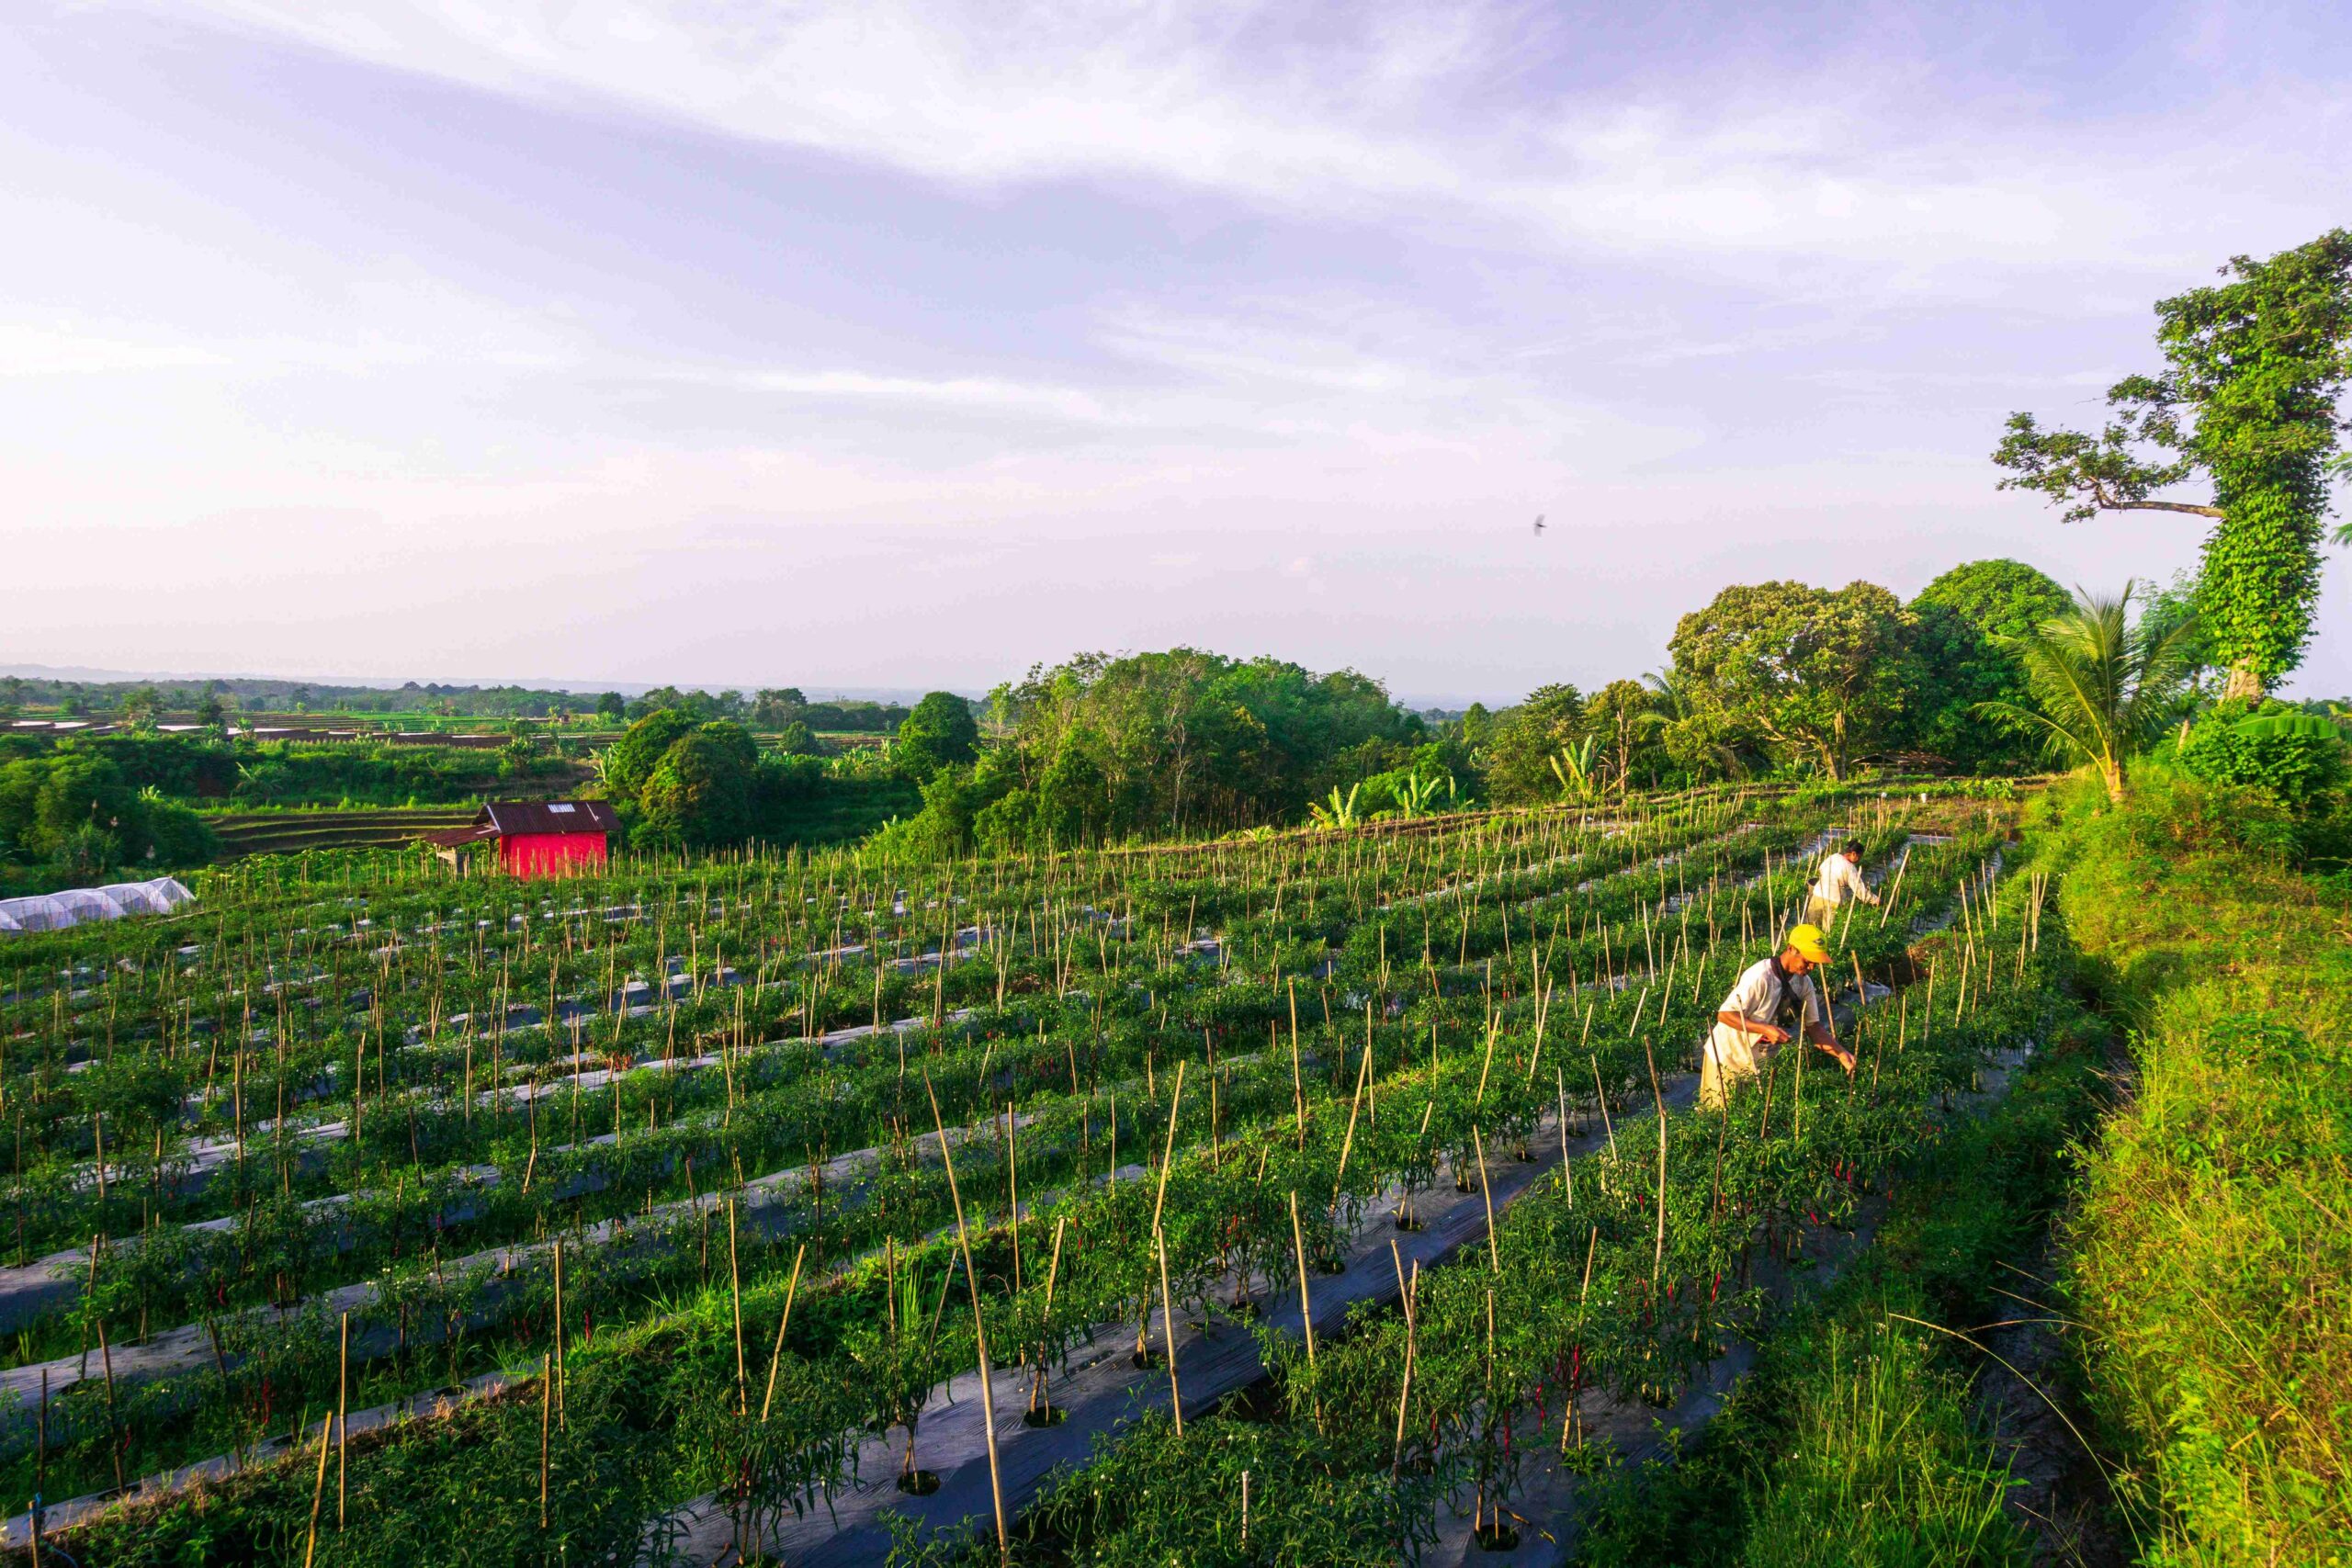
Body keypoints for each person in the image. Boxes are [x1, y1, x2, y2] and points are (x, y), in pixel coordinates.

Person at [1700, 922, 1855, 1111]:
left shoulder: (1804, 984)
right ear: (1791, 949)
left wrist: (1840, 1053)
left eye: (1816, 962)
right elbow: (1725, 1015)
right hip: (1727, 1058)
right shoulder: (1760, 977)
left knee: (1749, 1117)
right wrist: (1765, 1029)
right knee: (1719, 1117)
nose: (1812, 966)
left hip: (1758, 1063)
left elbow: (1813, 1027)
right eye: (1808, 960)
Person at [1805, 841, 1878, 929]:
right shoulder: (1850, 868)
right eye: (1860, 856)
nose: (1859, 859)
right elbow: (1860, 890)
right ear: (1854, 854)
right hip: (1833, 901)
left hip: (1818, 894)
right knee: (1828, 930)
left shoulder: (1833, 857)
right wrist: (1875, 900)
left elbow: (1821, 869)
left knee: (1812, 927)